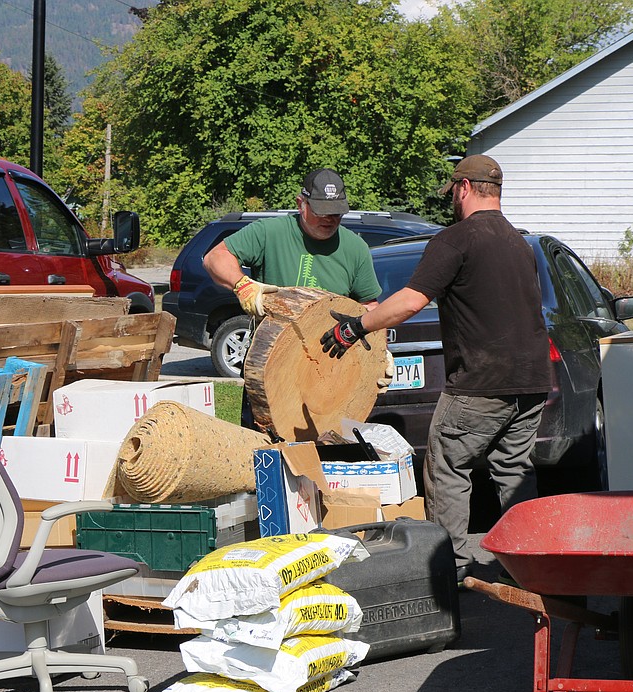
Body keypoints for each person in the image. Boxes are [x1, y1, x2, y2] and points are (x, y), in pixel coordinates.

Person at [320, 155, 551, 583]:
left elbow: (410, 300)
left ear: (463, 188)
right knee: (514, 470)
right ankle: (531, 564)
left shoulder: (456, 239)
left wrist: (355, 327)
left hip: (481, 383)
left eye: (453, 192)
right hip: (533, 381)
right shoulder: (520, 243)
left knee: (446, 465)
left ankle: (453, 568)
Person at [203, 168, 390, 427]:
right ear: (300, 204)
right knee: (263, 453)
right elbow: (215, 258)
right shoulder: (270, 233)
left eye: (336, 212)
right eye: (321, 211)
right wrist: (243, 286)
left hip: (331, 374)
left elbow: (369, 306)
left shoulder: (355, 249)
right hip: (271, 368)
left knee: (326, 454)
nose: (329, 219)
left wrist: (379, 354)